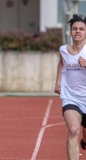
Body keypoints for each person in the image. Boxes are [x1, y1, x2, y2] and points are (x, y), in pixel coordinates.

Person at [54, 13, 86, 160]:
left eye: (81, 29)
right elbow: (61, 63)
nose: (77, 31)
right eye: (75, 29)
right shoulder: (63, 50)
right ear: (71, 31)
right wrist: (58, 82)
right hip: (71, 97)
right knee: (73, 130)